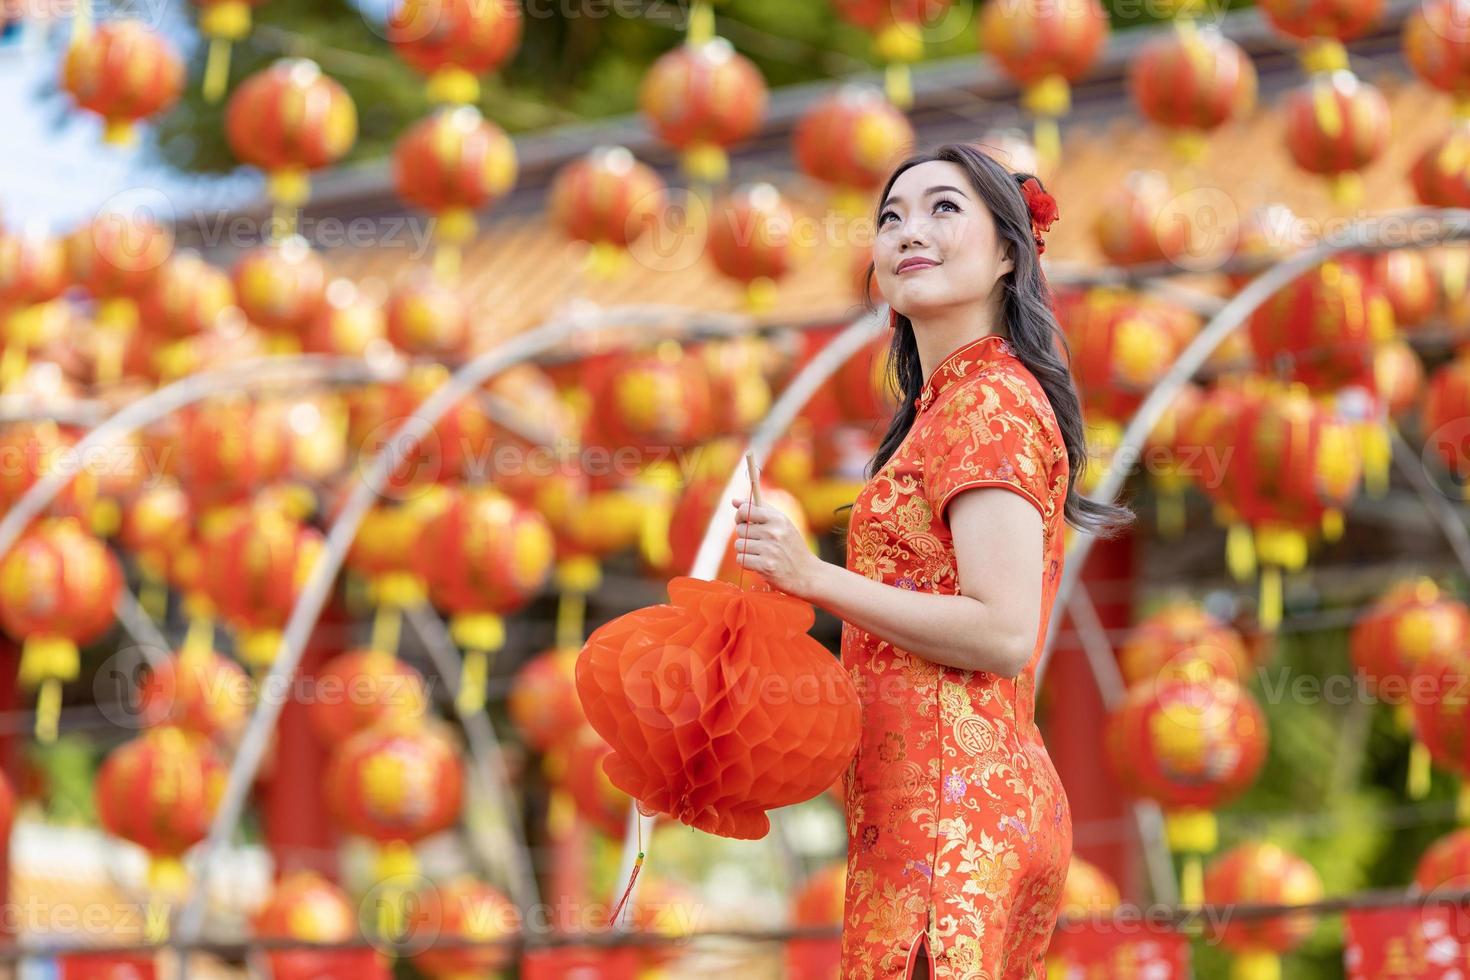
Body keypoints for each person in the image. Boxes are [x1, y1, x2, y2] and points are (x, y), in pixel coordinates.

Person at [731, 142, 1134, 979]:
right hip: (933, 814)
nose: (909, 230)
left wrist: (814, 579)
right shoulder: (946, 404)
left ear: (1009, 253)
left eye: (944, 208)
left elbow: (1001, 630)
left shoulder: (986, 402)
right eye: (890, 216)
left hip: (950, 828)